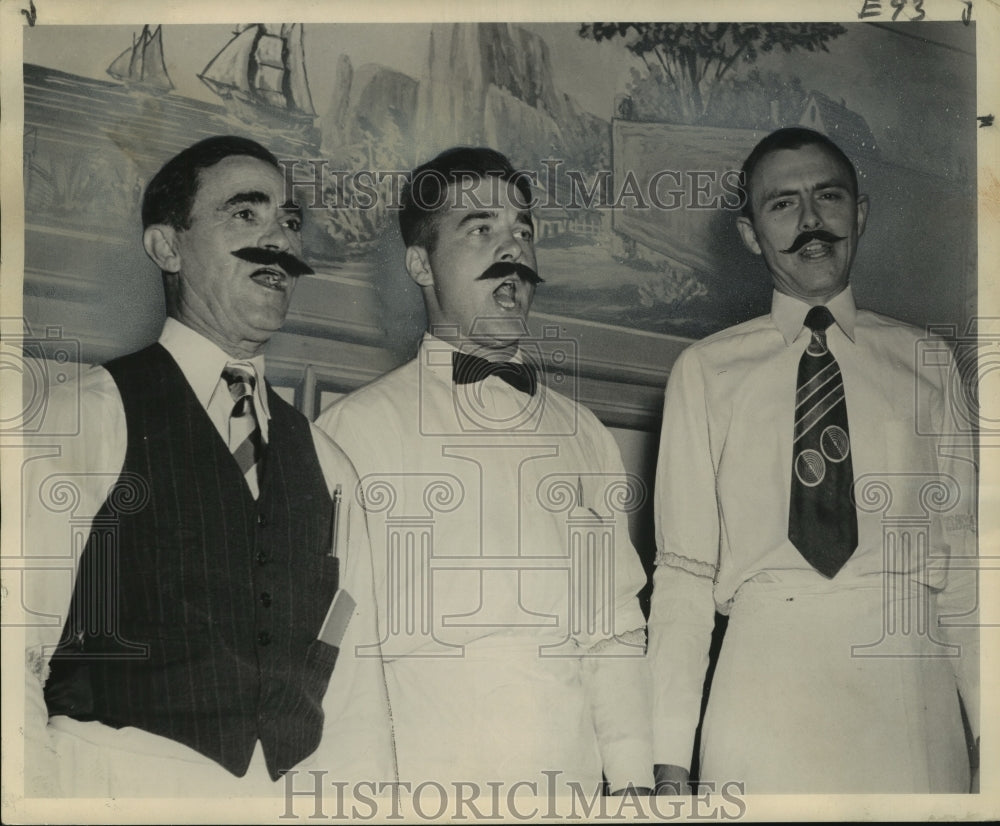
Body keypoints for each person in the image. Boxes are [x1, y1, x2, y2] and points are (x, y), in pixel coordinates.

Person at [23, 135, 395, 797]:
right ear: (167, 247)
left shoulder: (330, 464)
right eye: (245, 215)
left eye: (287, 222)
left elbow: (356, 700)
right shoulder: (88, 417)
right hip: (111, 788)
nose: (276, 240)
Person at [647, 126, 979, 794]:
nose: (810, 222)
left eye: (828, 198)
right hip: (763, 690)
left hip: (909, 688)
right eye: (782, 205)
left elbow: (969, 568)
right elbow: (683, 580)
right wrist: (667, 760)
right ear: (750, 234)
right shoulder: (704, 372)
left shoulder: (928, 361)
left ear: (859, 214)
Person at [316, 146, 654, 796]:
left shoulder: (585, 436)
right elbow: (336, 658)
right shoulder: (351, 436)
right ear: (419, 262)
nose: (513, 254)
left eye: (522, 231)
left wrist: (637, 787)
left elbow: (613, 635)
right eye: (481, 229)